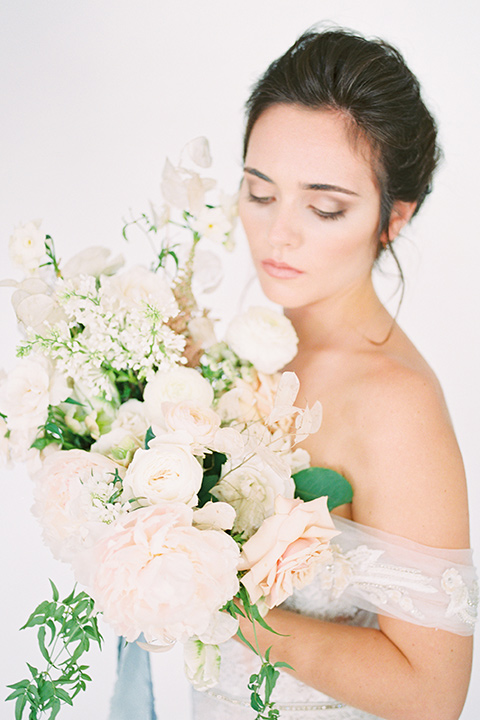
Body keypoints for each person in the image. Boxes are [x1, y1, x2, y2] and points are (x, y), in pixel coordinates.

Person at [191, 28, 478, 720]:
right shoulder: (255, 353)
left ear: (392, 218)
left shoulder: (394, 402)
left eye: (324, 207)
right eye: (260, 194)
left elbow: (431, 691)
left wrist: (203, 596)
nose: (278, 234)